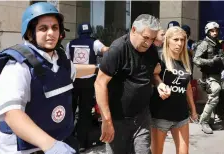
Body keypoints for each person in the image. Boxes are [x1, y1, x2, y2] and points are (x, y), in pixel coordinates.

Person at [0, 2, 99, 154]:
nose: (51, 33)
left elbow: (75, 70)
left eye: (55, 27)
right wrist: (50, 145)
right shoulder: (17, 66)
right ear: (30, 33)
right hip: (28, 150)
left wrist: (99, 69)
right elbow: (12, 114)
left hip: (59, 143)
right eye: (43, 28)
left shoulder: (59, 60)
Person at [94, 14, 160, 154]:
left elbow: (153, 74)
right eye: (146, 37)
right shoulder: (117, 49)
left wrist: (159, 83)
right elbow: (100, 83)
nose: (148, 43)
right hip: (117, 120)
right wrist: (107, 121)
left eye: (152, 39)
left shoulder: (152, 51)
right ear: (134, 30)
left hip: (142, 118)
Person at [150, 26, 198, 154]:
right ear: (168, 40)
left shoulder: (186, 60)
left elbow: (187, 86)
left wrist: (193, 109)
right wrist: (157, 79)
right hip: (160, 116)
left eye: (182, 40)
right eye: (176, 39)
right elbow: (151, 77)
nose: (179, 43)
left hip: (181, 116)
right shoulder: (160, 58)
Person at [65, 23, 109, 152]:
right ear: (90, 31)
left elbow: (68, 62)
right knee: (85, 113)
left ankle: (68, 140)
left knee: (70, 111)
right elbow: (107, 51)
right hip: (89, 82)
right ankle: (82, 143)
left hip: (73, 82)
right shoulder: (95, 43)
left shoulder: (70, 44)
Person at [193, 21, 224, 134]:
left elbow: (223, 58)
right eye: (212, 31)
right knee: (215, 93)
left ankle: (211, 122)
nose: (214, 33)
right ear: (207, 32)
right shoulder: (204, 44)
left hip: (217, 75)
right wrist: (211, 61)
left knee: (219, 97)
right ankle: (204, 121)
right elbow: (196, 59)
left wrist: (223, 60)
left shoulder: (217, 43)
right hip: (208, 76)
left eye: (216, 30)